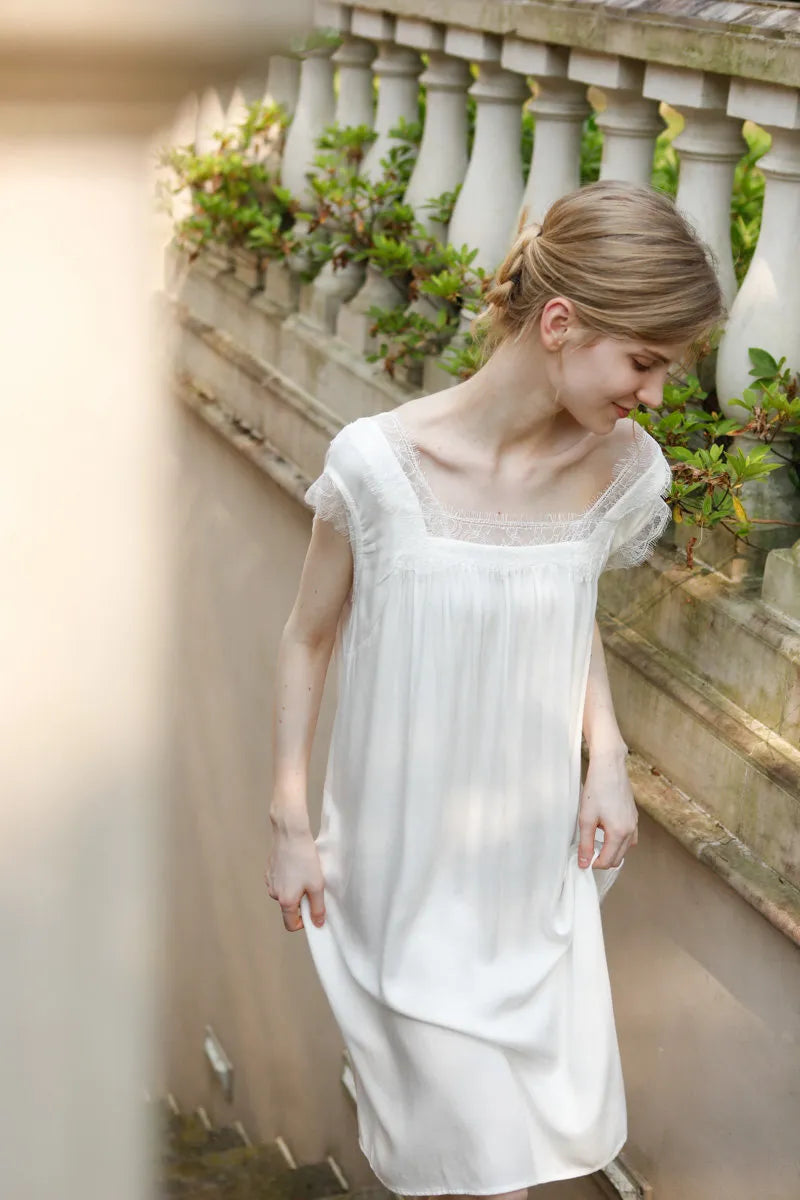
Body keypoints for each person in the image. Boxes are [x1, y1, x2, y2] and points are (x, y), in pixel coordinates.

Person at [266, 179, 724, 1196]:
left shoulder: (618, 472)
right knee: (477, 1165)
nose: (652, 395)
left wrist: (605, 759)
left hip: (526, 871)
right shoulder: (378, 467)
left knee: (497, 1162)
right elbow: (305, 637)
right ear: (558, 323)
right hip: (399, 870)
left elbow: (555, 617)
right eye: (644, 362)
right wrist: (289, 820)